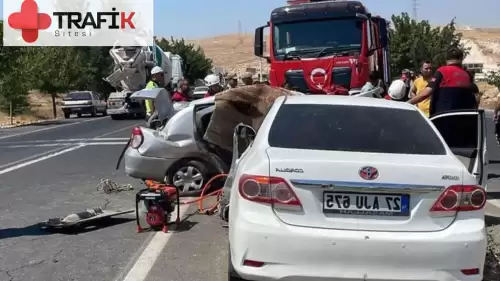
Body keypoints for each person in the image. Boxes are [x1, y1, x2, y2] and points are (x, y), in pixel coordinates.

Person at [408, 48, 477, 116]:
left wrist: (408, 103)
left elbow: (427, 92)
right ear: (461, 58)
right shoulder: (467, 74)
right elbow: (476, 96)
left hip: (443, 118)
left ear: (446, 59)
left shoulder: (442, 71)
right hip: (465, 118)